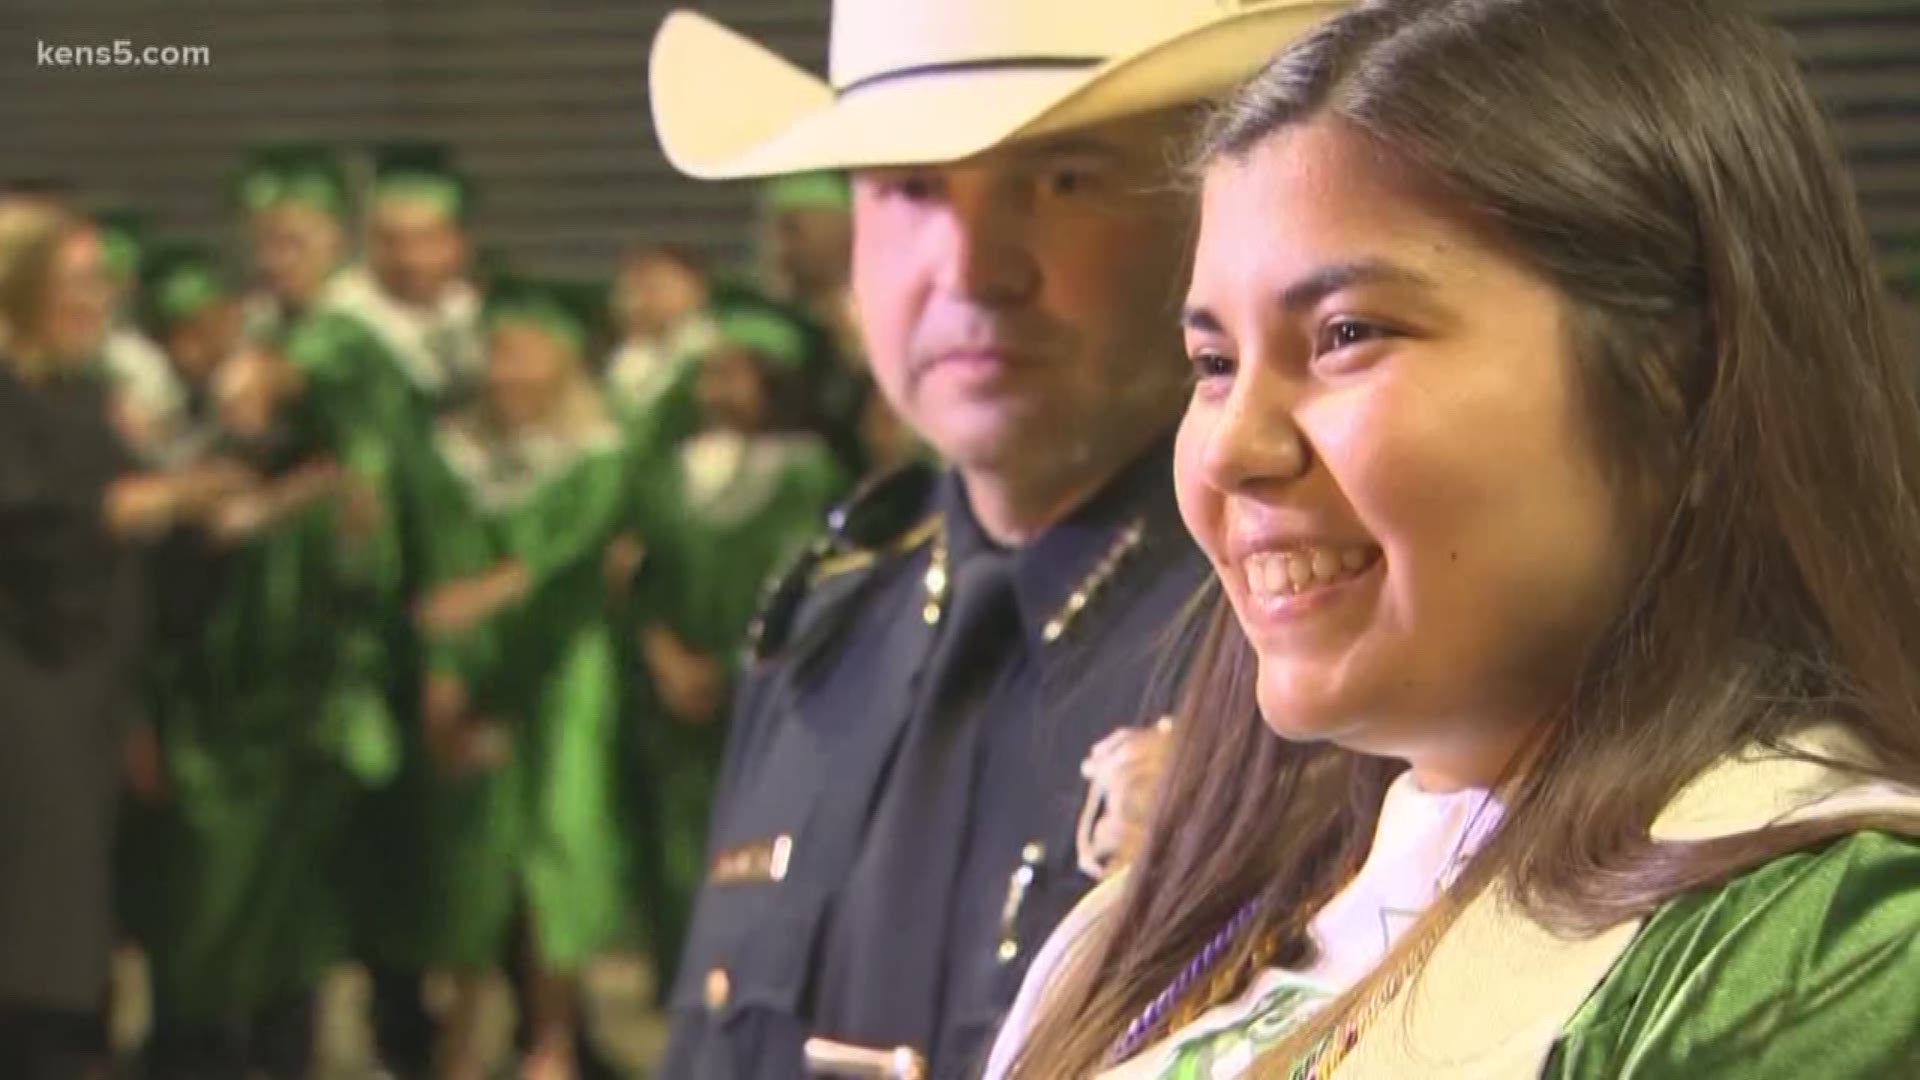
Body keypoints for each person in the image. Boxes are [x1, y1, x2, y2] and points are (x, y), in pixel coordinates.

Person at [985, 1, 1920, 1077]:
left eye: (1347, 336)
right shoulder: (1153, 930)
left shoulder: (1823, 953)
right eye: (1213, 362)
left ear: (1685, 386)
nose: (1230, 449)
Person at [646, 0, 1342, 1075]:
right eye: (912, 189)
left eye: (1063, 180)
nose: (974, 268)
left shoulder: (1299, 646)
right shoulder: (825, 628)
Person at [0, 198, 246, 1080]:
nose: (98, 299)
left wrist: (215, 510)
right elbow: (32, 517)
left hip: (86, 694)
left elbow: (137, 511)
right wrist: (139, 504)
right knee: (35, 926)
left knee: (71, 924)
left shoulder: (76, 397)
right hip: (25, 692)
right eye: (74, 282)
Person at [409, 278, 630, 1080]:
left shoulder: (598, 453)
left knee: (557, 852)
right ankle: (461, 1042)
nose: (503, 370)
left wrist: (488, 596)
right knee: (474, 861)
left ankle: (552, 1040)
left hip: (566, 680)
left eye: (522, 351)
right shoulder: (456, 457)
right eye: (497, 352)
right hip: (473, 683)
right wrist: (446, 676)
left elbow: (567, 559)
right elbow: (439, 577)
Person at [626, 309, 850, 998]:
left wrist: (729, 667)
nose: (712, 386)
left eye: (732, 371)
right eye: (707, 372)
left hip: (768, 697)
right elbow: (640, 578)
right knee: (670, 857)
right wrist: (662, 655)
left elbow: (812, 587)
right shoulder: (667, 474)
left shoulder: (810, 474)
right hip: (669, 707)